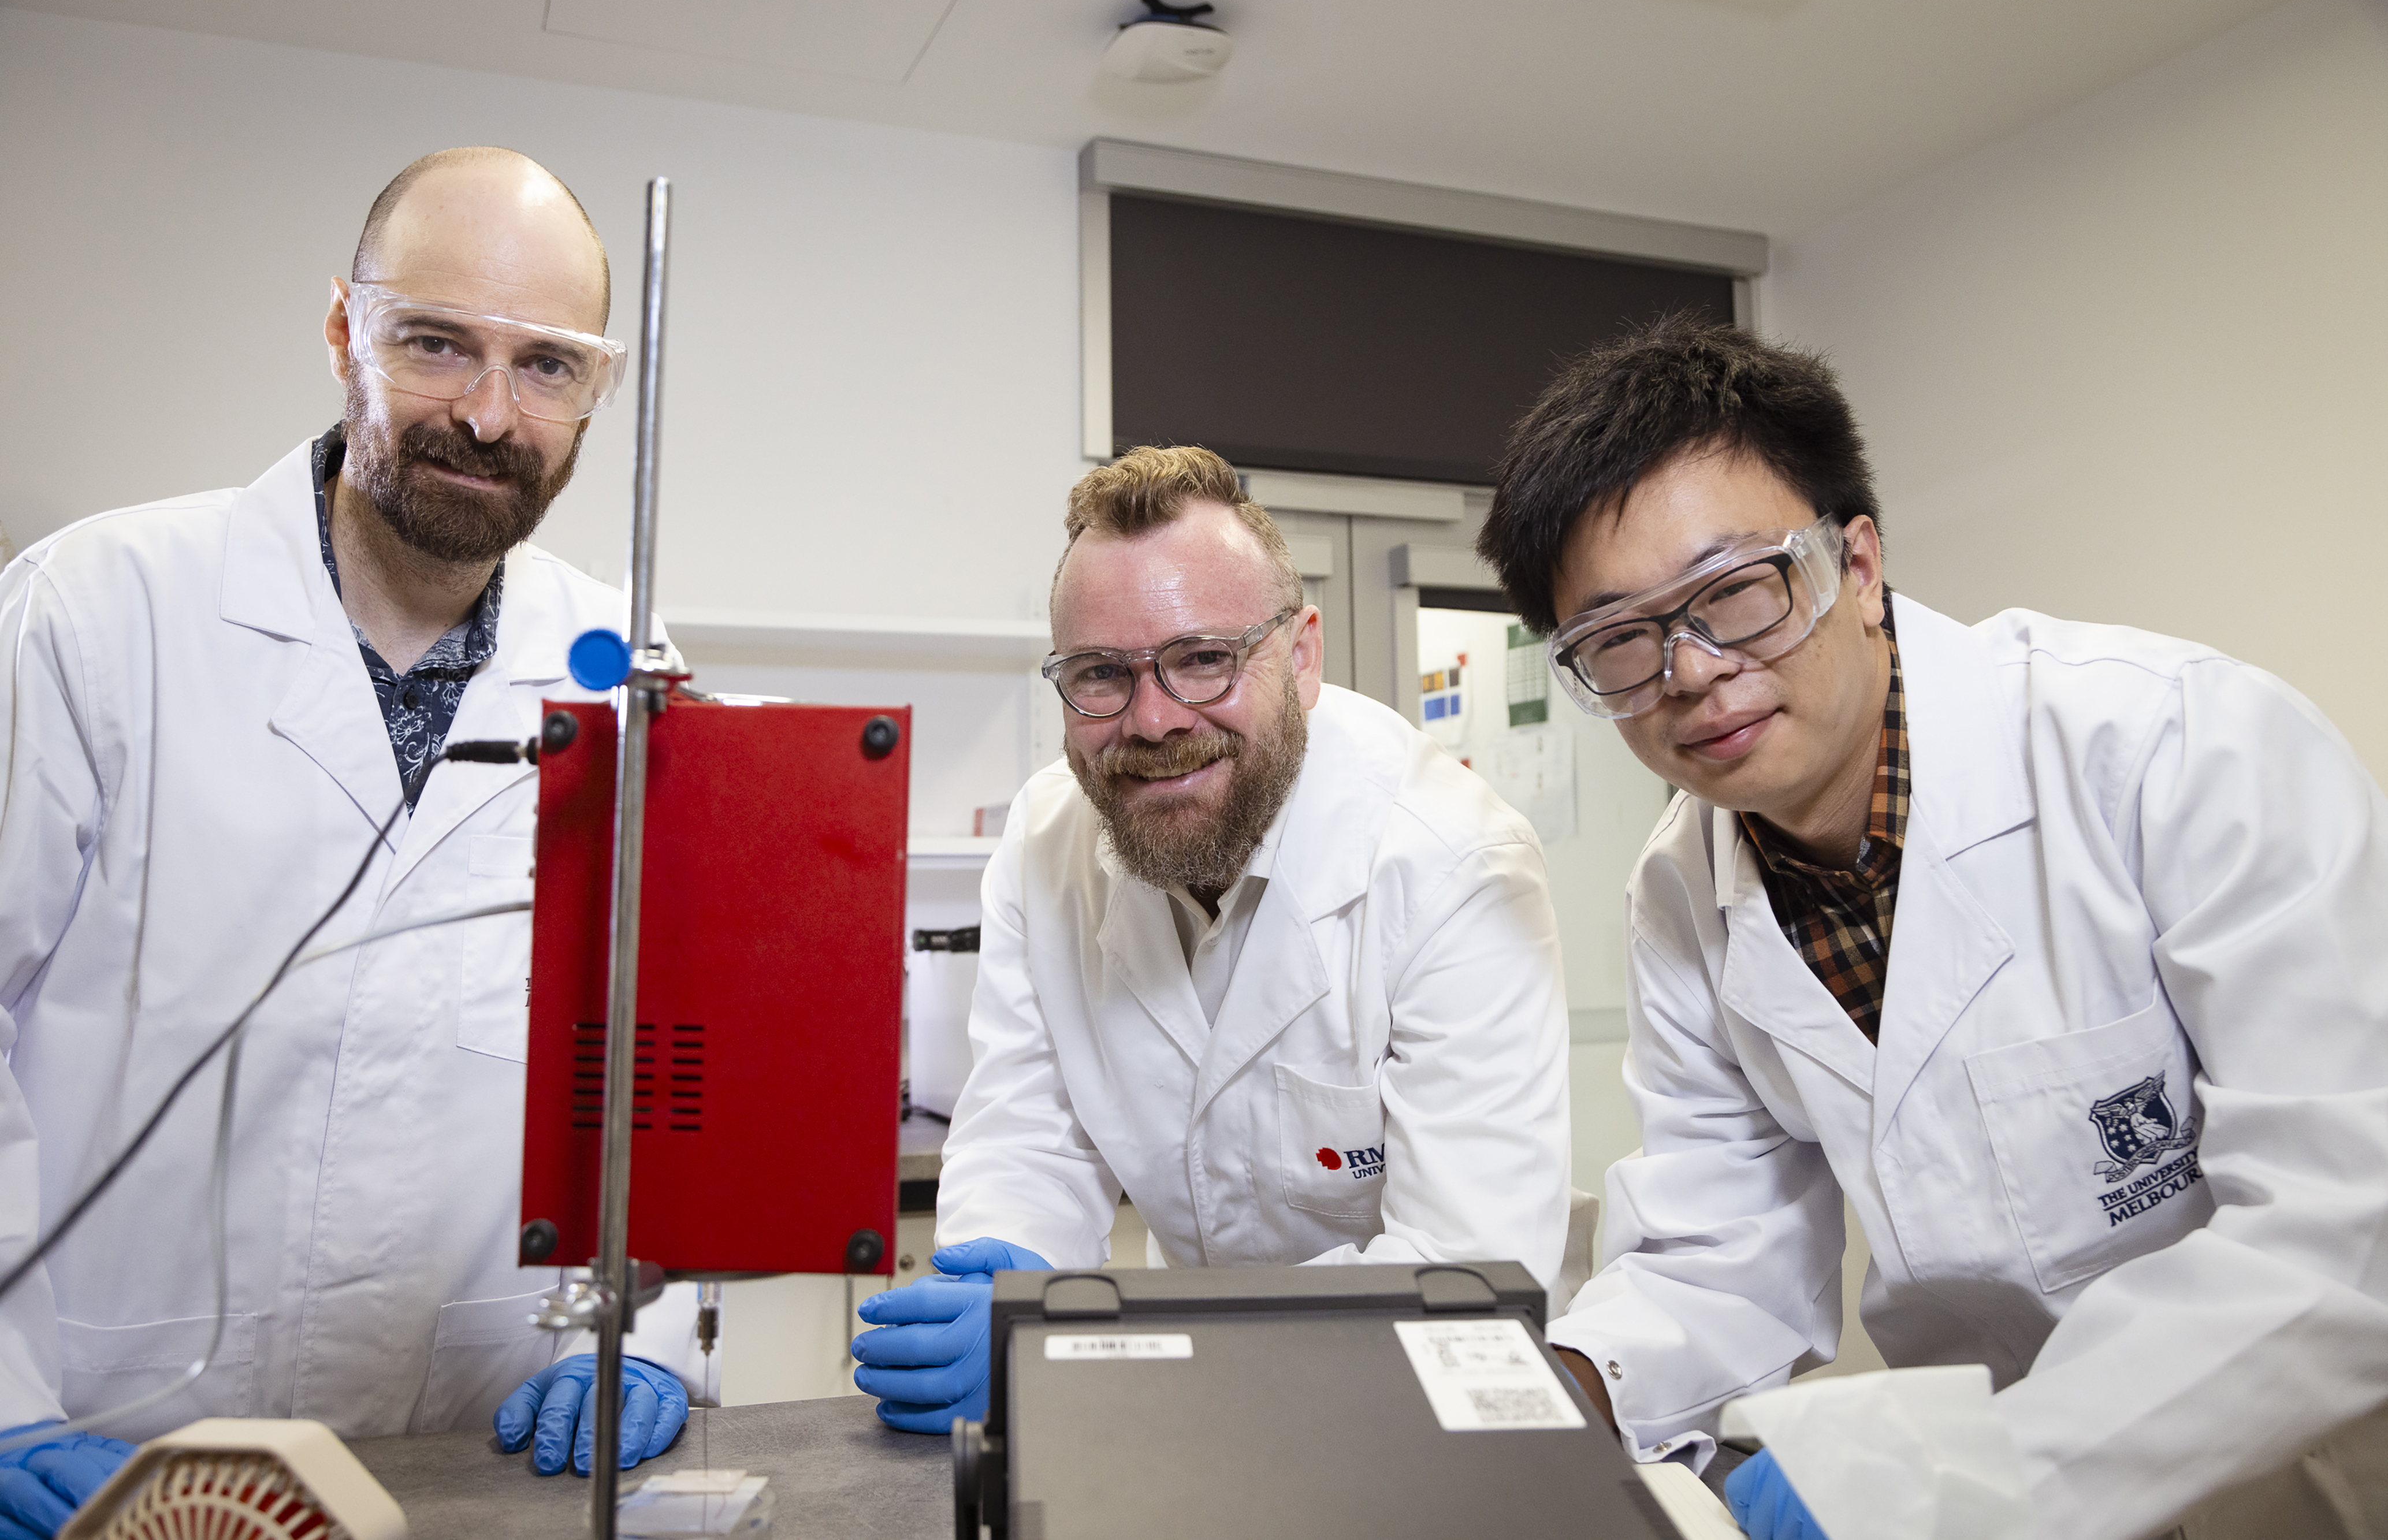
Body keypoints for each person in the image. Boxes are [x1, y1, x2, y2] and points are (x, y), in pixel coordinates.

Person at [1474, 315, 2388, 1540]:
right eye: (1621, 639)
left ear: (1857, 565)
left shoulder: (2179, 748)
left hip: (2298, 1475)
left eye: (1737, 593)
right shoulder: (1683, 888)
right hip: (1976, 1486)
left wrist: (1927, 1487)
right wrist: (1556, 1395)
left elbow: (2343, 1229)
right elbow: (1723, 1245)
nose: (1688, 673)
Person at [0, 147, 693, 1532]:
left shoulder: (631, 664)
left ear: (599, 388)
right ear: (343, 332)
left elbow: (667, 1051)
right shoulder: (94, 612)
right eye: (437, 343)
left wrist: (645, 1332)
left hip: (482, 1458)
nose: (490, 416)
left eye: (547, 365)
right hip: (122, 1441)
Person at [851, 445, 1575, 1432]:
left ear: (1302, 654)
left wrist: (1101, 1356)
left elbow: (1461, 1282)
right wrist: (1012, 1280)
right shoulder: (1044, 838)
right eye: (1100, 673)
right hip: (1187, 1417)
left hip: (1416, 1425)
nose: (1153, 720)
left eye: (1202, 658)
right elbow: (1032, 1127)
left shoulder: (1454, 864)